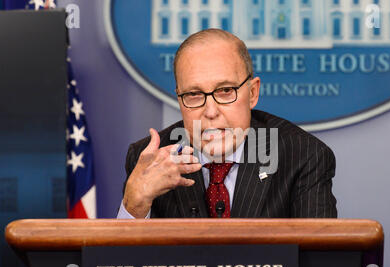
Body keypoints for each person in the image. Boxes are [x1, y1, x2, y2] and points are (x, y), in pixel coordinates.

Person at [117, 29, 337, 219]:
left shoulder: (302, 156)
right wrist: (134, 204)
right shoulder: (149, 161)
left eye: (225, 91)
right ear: (180, 100)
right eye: (194, 94)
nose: (211, 112)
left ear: (252, 93)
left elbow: (319, 263)